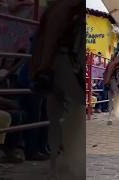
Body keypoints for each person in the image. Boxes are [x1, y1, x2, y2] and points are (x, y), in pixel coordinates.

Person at [29, 0, 84, 179]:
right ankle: (63, 162)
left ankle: (60, 163)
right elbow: (51, 34)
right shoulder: (66, 7)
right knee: (71, 110)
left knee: (59, 115)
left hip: (69, 62)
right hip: (64, 61)